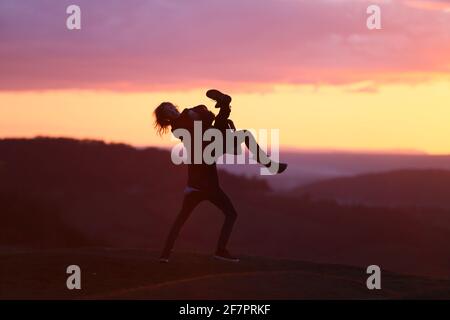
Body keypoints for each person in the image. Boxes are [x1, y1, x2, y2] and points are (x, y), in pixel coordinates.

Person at [154, 89, 287, 263]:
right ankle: (216, 251)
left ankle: (168, 256)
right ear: (166, 118)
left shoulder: (190, 113)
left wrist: (209, 111)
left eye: (170, 106)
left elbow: (208, 120)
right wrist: (199, 112)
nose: (171, 109)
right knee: (225, 215)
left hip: (200, 176)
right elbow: (196, 125)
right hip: (205, 170)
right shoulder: (177, 127)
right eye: (167, 110)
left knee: (241, 134)